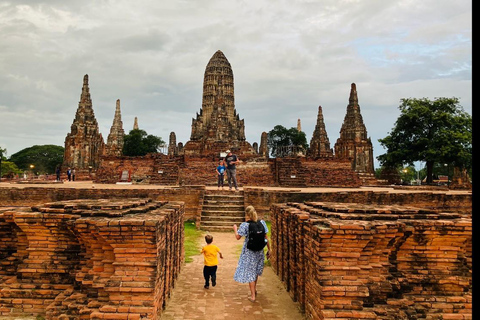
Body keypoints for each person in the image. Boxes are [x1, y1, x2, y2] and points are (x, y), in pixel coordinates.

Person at [233, 205, 270, 302]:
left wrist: (235, 229)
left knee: (250, 273)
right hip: (259, 251)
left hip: (249, 252)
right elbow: (266, 237)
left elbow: (238, 237)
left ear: (247, 214)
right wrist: (269, 250)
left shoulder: (245, 225)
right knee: (255, 271)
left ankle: (253, 296)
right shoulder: (262, 222)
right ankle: (255, 289)